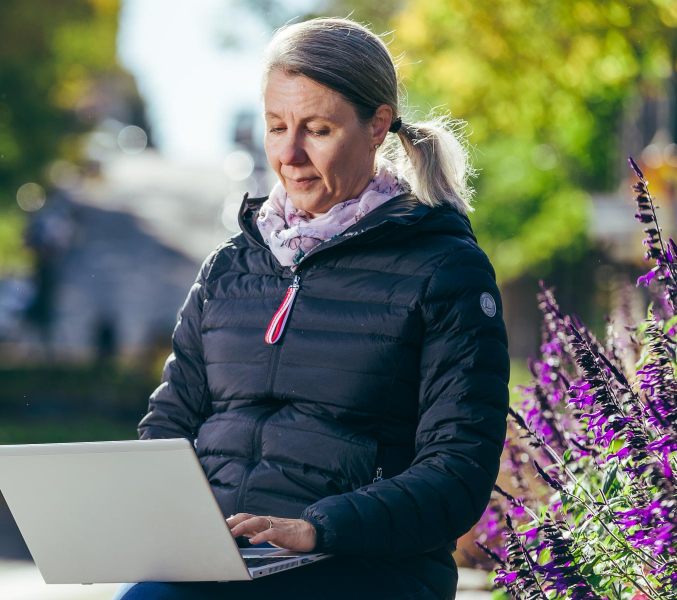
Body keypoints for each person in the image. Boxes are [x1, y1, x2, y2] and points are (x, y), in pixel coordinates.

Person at [112, 16, 510, 600]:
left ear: (377, 126)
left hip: (365, 567)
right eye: (276, 128)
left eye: (317, 130)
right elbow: (170, 425)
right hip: (223, 562)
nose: (290, 155)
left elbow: (458, 472)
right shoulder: (229, 269)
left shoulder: (445, 270)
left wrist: (319, 528)